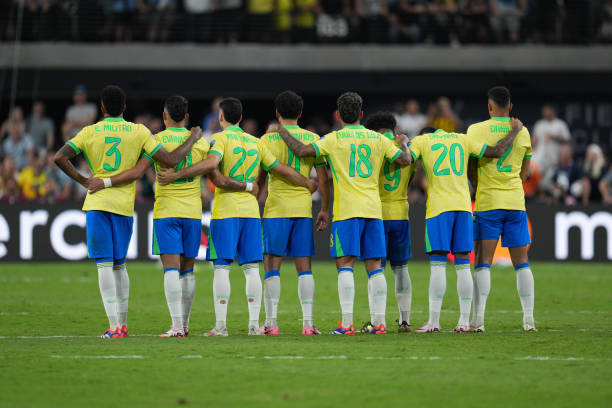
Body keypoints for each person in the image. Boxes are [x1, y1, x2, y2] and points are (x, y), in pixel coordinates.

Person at [89, 95, 251, 337]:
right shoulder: (201, 143)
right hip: (193, 212)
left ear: (164, 116)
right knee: (187, 270)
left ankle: (176, 326)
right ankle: (184, 326)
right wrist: (246, 186)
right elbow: (215, 176)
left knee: (171, 270)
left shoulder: (155, 140)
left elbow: (140, 170)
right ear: (186, 117)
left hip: (166, 212)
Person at [53, 85, 205, 339]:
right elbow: (167, 161)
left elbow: (59, 157)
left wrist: (84, 180)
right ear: (125, 108)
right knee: (119, 265)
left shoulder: (90, 131)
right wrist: (192, 137)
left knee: (104, 265)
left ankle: (116, 327)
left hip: (98, 204)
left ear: (101, 109)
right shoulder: (139, 132)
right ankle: (122, 324)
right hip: (124, 206)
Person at [157, 97, 317, 336]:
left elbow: (212, 166)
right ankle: (254, 325)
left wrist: (176, 174)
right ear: (241, 118)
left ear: (221, 117)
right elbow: (278, 168)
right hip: (251, 213)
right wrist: (306, 182)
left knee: (221, 268)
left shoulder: (219, 139)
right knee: (251, 268)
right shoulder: (256, 142)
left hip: (226, 212)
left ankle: (221, 326)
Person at [275, 92, 414, 335]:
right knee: (375, 267)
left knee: (345, 265)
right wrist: (402, 142)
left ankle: (347, 324)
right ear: (361, 114)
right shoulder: (377, 139)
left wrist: (283, 132)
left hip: (347, 211)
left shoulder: (333, 139)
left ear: (339, 116)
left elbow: (304, 151)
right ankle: (379, 323)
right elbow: (404, 161)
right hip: (373, 210)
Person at [409, 117, 523, 334]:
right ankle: (463, 322)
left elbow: (406, 160)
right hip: (463, 209)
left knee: (438, 264)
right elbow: (498, 151)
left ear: (425, 135)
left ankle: (434, 322)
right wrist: (515, 130)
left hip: (438, 210)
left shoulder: (422, 141)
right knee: (463, 265)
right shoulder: (463, 139)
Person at [255, 91, 331, 336]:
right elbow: (323, 179)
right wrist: (325, 209)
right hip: (303, 209)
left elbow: (262, 177)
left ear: (277, 113)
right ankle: (308, 324)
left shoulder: (266, 140)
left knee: (272, 266)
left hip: (276, 208)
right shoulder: (312, 139)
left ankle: (271, 323)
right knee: (304, 267)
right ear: (300, 113)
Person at [467, 86, 536, 332]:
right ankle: (528, 320)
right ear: (510, 107)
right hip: (515, 203)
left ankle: (479, 321)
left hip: (488, 204)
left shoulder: (476, 130)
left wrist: (480, 184)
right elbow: (525, 173)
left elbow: (471, 166)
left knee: (483, 262)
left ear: (489, 106)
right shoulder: (524, 132)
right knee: (522, 262)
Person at [361, 111, 419, 333]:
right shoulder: (406, 148)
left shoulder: (372, 147)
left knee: (376, 270)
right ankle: (405, 321)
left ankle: (378, 321)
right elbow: (411, 172)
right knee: (401, 269)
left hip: (377, 214)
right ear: (393, 130)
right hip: (401, 213)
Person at [531, 105, 571, 189]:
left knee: (551, 179)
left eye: (547, 111)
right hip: (541, 156)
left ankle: (551, 197)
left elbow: (567, 140)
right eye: (544, 111)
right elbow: (534, 140)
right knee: (538, 176)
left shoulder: (560, 124)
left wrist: (555, 137)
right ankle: (540, 196)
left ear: (552, 111)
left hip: (555, 156)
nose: (545, 113)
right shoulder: (540, 124)